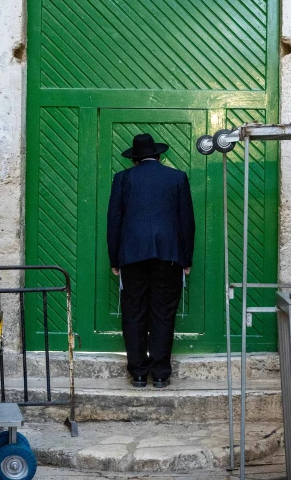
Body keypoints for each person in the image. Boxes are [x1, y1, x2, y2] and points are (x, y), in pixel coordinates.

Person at [107, 133, 195, 389]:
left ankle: (137, 373)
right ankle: (160, 374)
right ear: (159, 156)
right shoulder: (177, 177)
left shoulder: (123, 179)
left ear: (134, 160)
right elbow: (187, 222)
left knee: (133, 313)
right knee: (163, 314)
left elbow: (114, 222)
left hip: (132, 255)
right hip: (169, 256)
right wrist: (186, 259)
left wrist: (115, 259)